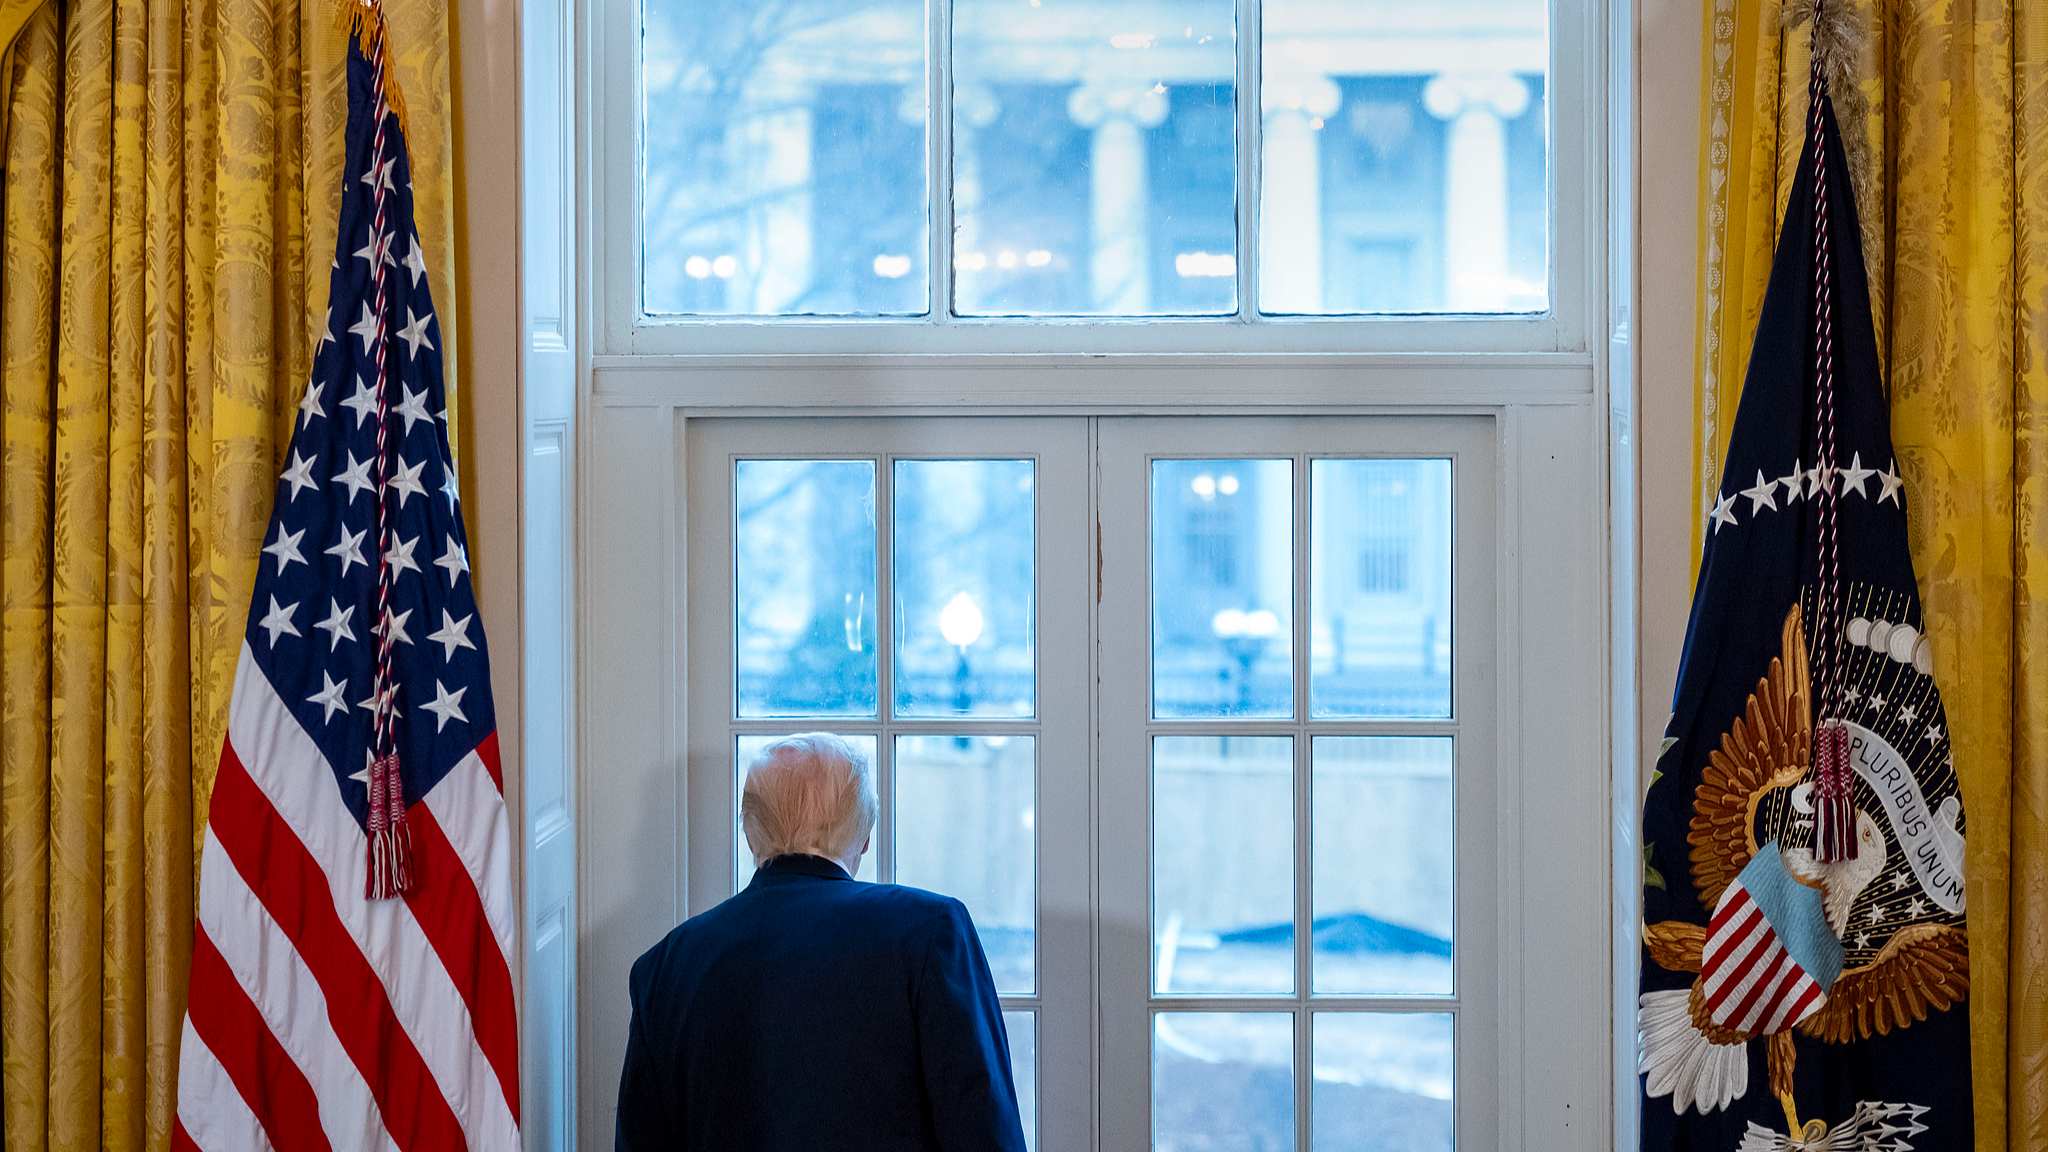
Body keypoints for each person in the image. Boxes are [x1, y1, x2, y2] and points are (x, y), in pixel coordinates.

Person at [616, 732, 1028, 1151]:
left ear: (750, 836)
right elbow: (987, 1134)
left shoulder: (663, 970)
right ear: (864, 835)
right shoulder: (930, 931)